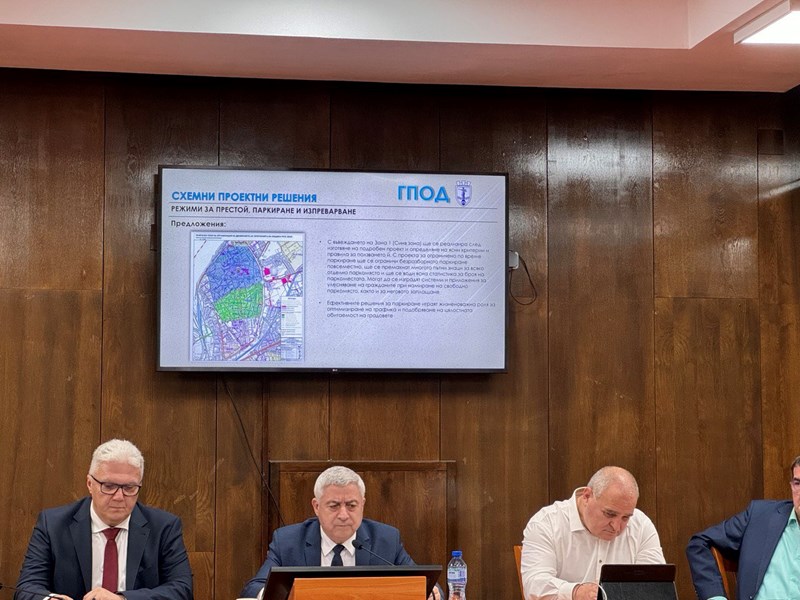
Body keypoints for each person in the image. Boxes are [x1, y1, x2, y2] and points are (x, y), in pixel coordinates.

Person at [15, 439, 193, 600]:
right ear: (89, 484)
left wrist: (123, 599)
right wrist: (50, 599)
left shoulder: (164, 527)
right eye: (108, 486)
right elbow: (27, 587)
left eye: (129, 488)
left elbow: (182, 589)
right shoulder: (53, 525)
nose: (119, 497)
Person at [240, 465, 441, 600]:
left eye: (351, 505)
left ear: (362, 504)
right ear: (316, 506)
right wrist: (281, 595)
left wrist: (432, 594)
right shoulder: (287, 541)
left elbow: (427, 585)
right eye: (334, 505)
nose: (343, 515)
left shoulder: (386, 539)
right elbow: (253, 589)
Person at [520, 466, 665, 600]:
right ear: (587, 496)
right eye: (609, 514)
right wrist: (576, 592)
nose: (616, 527)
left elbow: (656, 586)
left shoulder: (641, 525)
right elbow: (534, 585)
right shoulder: (546, 524)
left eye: (625, 518)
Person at [686, 455, 800, 600]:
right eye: (797, 483)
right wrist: (715, 597)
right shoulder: (761, 517)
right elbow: (699, 543)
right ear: (791, 485)